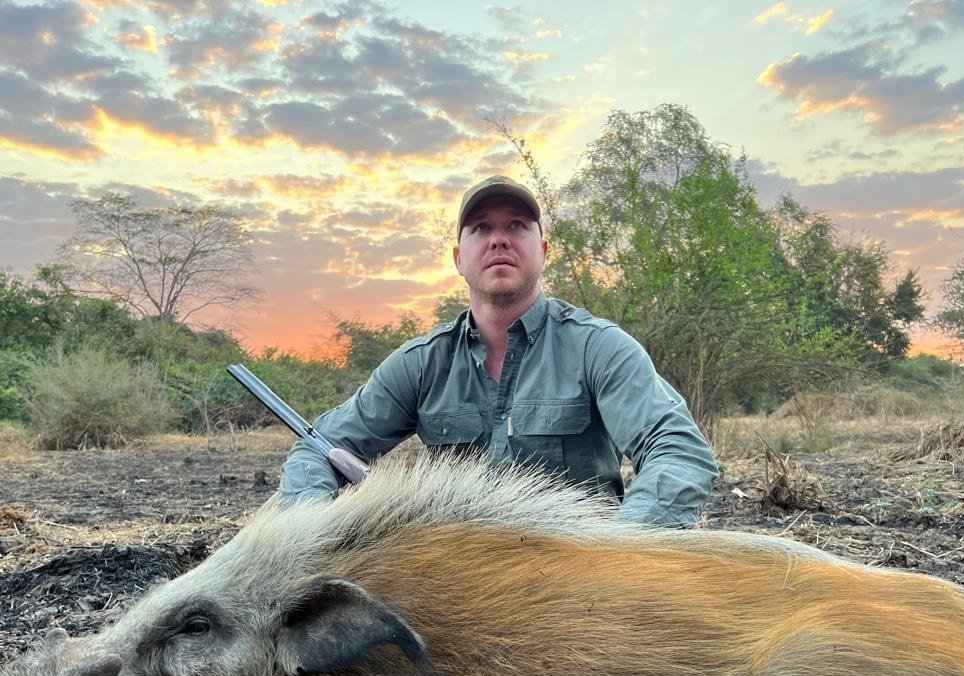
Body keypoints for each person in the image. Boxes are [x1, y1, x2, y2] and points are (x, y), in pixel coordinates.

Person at [278, 175, 718, 527]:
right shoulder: (420, 363)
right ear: (458, 258)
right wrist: (313, 526)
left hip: (583, 581)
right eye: (481, 228)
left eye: (517, 227)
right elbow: (320, 447)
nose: (499, 240)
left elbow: (678, 451)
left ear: (542, 251)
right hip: (462, 584)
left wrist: (622, 553)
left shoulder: (598, 347)